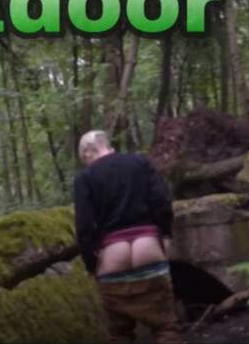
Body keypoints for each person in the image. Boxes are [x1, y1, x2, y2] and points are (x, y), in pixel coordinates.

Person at [73, 129, 182, 344]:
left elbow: (84, 226)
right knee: (166, 327)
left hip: (112, 258)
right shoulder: (140, 162)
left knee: (120, 334)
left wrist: (91, 264)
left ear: (87, 152)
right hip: (148, 248)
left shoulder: (84, 178)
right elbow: (162, 201)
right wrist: (166, 235)